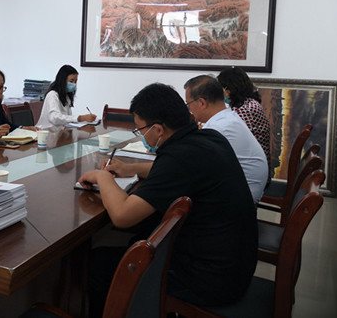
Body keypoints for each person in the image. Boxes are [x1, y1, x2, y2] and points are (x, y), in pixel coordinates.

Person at [78, 83, 257, 313]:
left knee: (98, 264)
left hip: (211, 280)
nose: (141, 135)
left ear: (158, 130)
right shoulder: (208, 138)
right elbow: (170, 169)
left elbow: (122, 216)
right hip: (235, 264)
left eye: (140, 130)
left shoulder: (179, 158)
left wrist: (102, 177)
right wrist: (128, 168)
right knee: (141, 232)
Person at [184, 75, 269, 203]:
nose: (189, 109)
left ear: (201, 102)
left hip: (240, 201)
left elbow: (192, 166)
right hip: (245, 189)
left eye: (188, 104)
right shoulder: (228, 116)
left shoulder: (218, 128)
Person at [217, 66, 272, 178]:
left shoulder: (244, 111)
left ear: (229, 89)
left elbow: (230, 144)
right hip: (257, 169)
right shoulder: (250, 103)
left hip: (250, 174)